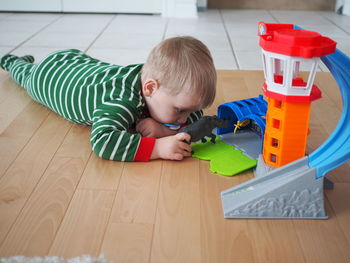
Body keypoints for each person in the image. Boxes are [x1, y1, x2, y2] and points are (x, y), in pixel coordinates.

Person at [0, 36, 217, 161]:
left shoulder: (156, 85)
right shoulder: (121, 102)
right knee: (25, 74)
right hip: (49, 76)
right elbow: (103, 141)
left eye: (191, 110)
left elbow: (191, 113)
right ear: (150, 88)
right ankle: (12, 61)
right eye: (180, 111)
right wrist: (157, 148)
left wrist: (165, 130)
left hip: (78, 62)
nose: (185, 118)